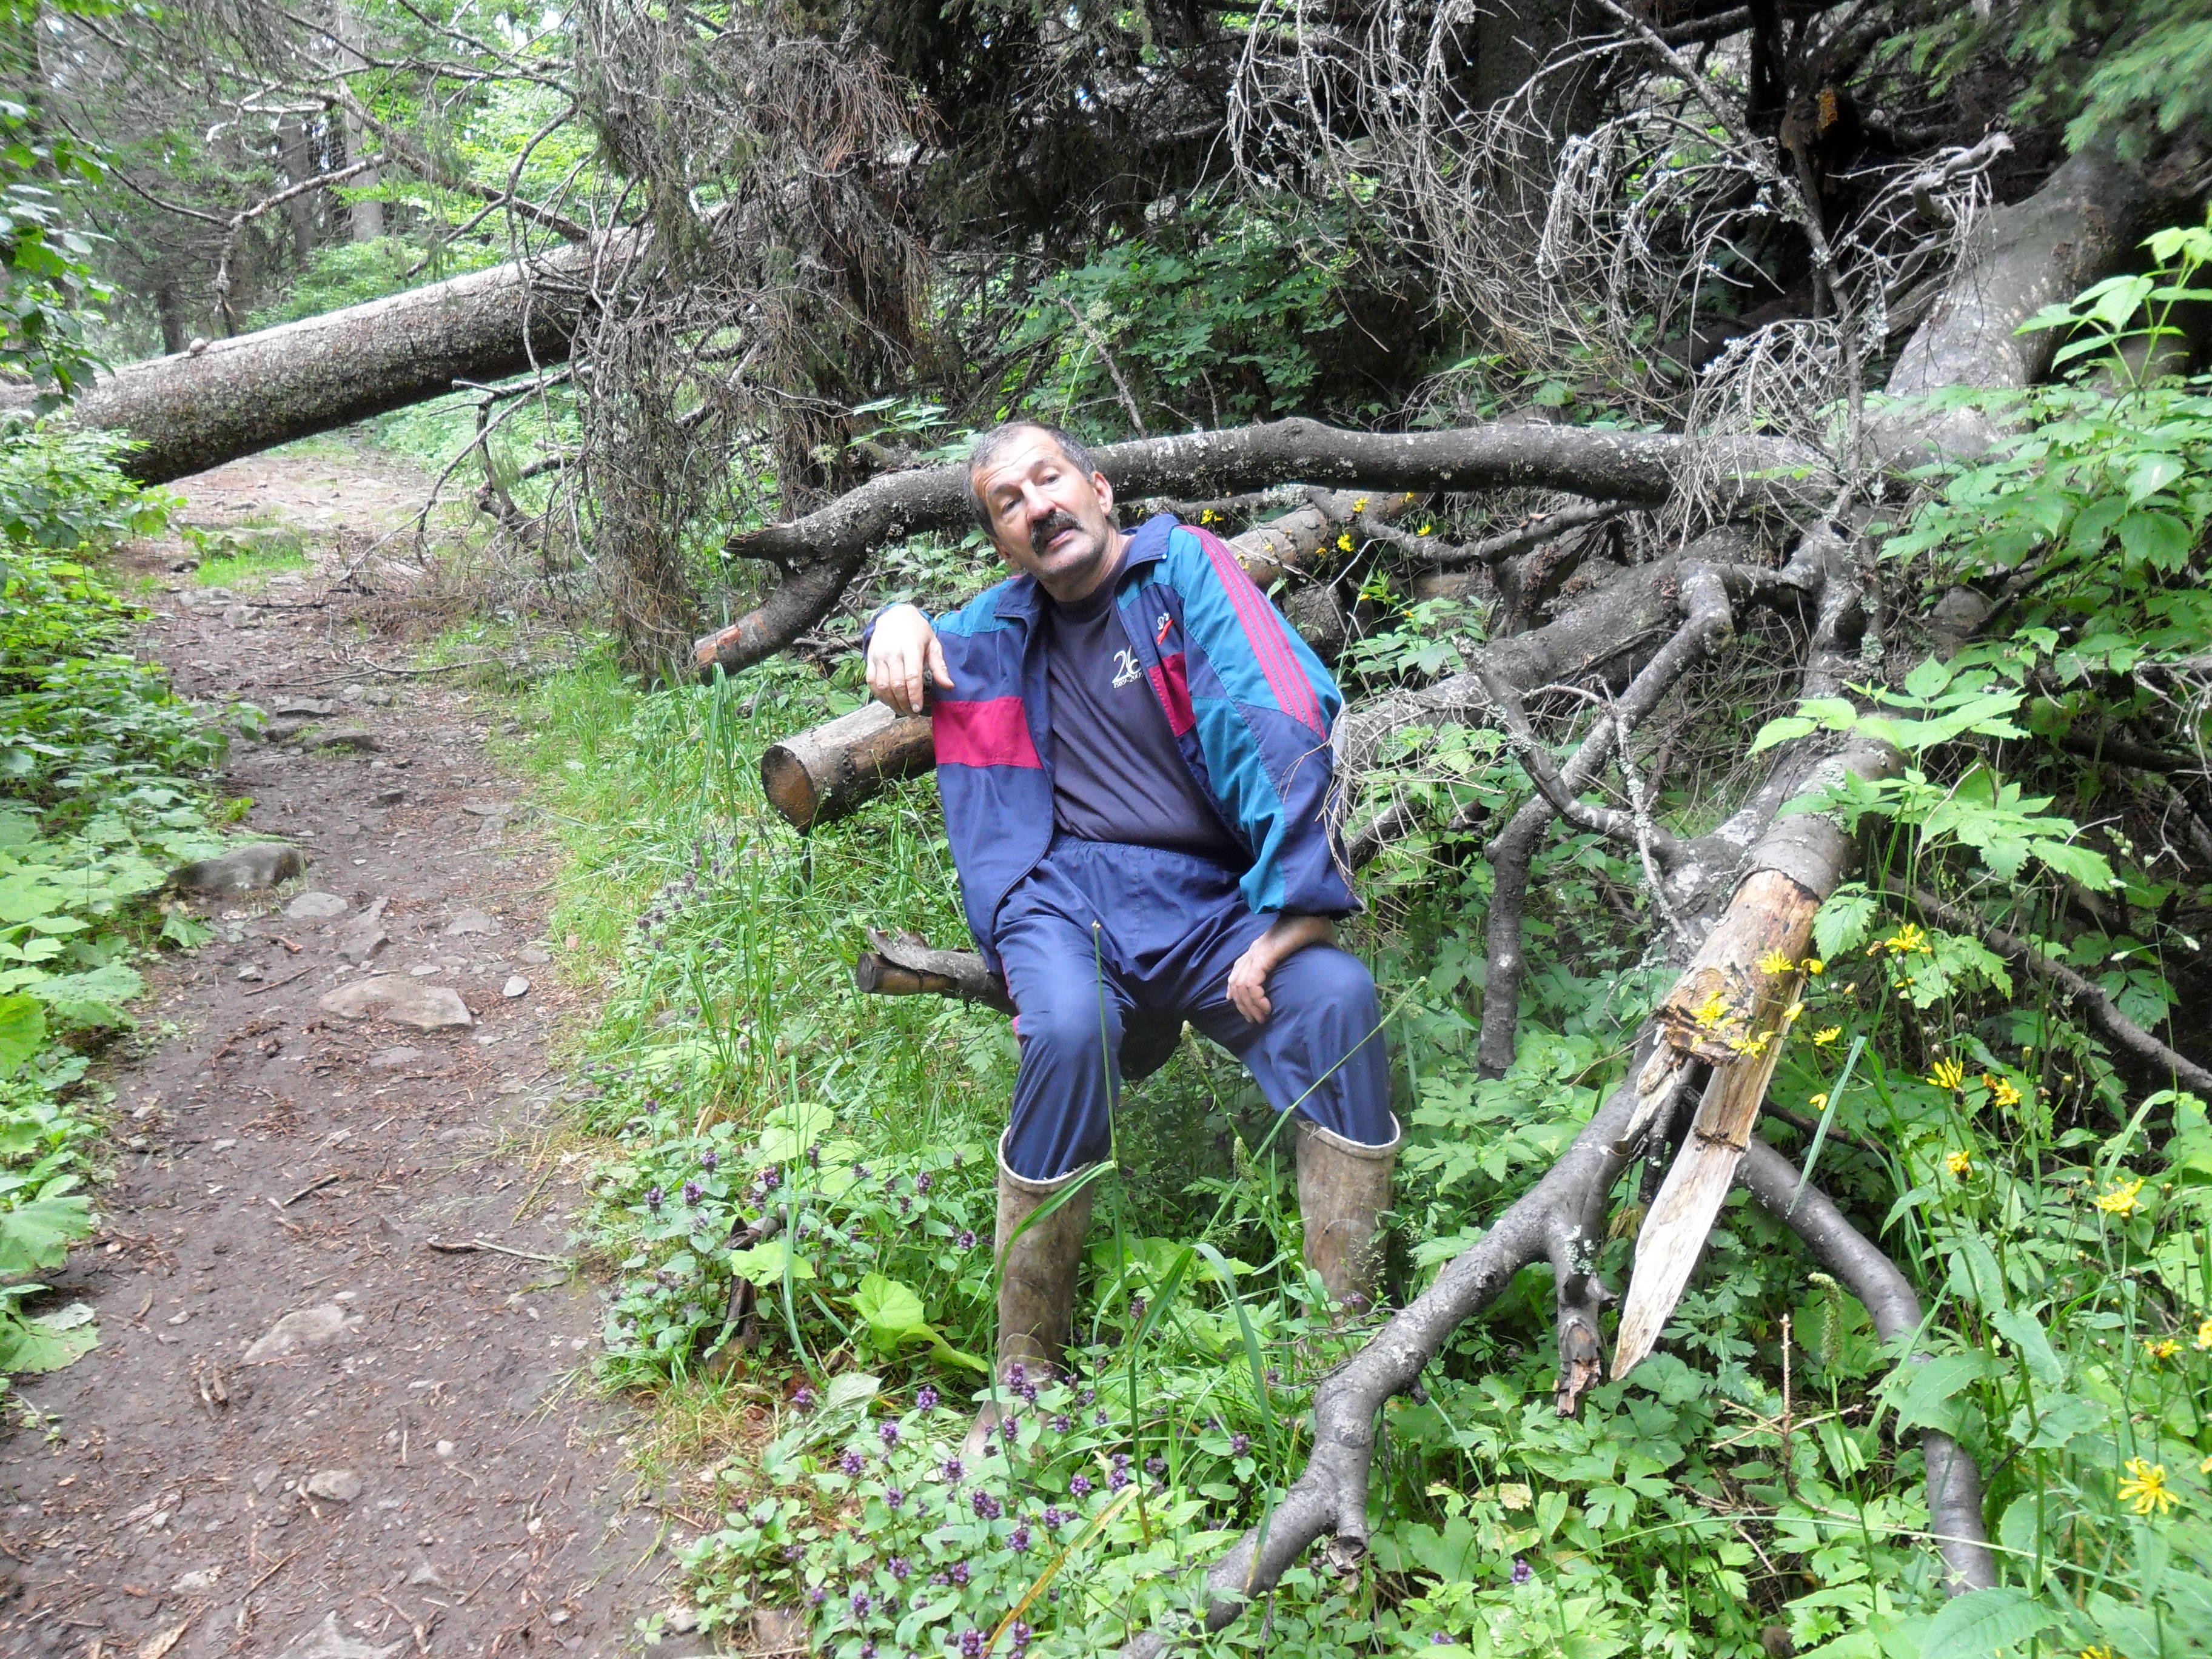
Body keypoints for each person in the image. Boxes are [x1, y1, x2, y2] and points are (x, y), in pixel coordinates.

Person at [862, 420, 1398, 1392]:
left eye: (1049, 480)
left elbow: (1274, 711)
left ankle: (1343, 1343)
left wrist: (1295, 906)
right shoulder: (993, 631)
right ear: (1003, 545)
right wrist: (895, 616)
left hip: (1211, 900)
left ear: (1100, 489)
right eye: (1009, 504)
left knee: (1336, 999)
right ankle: (1026, 1372)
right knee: (1069, 1029)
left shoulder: (1180, 571)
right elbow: (918, 638)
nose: (1038, 507)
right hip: (1062, 903)